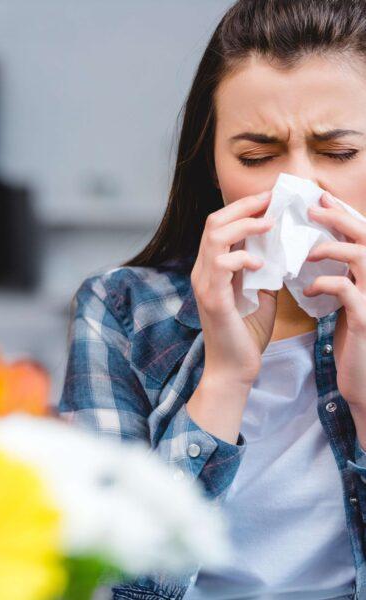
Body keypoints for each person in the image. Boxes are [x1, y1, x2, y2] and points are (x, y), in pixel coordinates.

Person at [58, 1, 366, 598]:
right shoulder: (121, 310)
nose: (297, 187)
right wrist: (225, 378)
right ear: (213, 166)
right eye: (256, 157)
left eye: (339, 153)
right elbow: (108, 583)